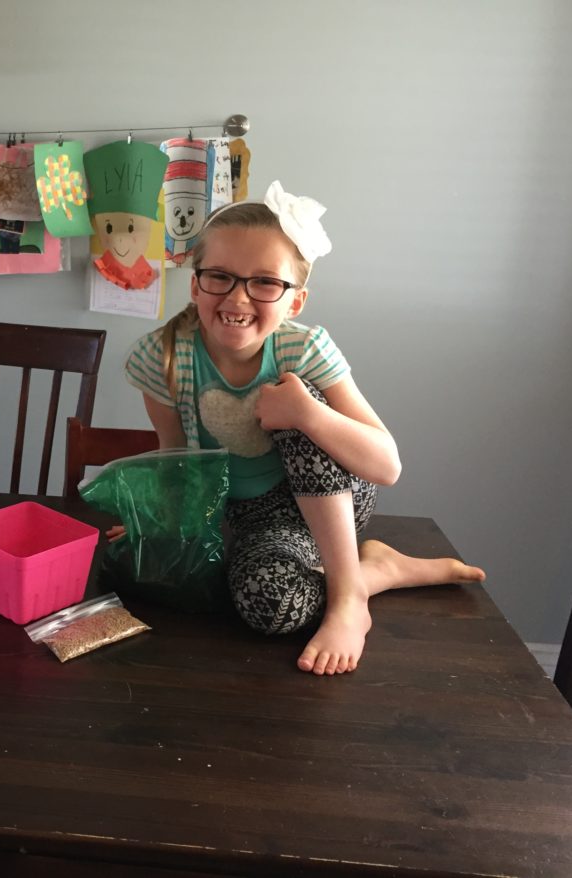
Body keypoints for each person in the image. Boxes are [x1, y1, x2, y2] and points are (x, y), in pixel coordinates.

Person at [124, 181, 485, 676]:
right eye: (220, 277)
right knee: (266, 605)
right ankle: (374, 572)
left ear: (294, 301)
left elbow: (386, 465)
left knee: (299, 402)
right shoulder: (163, 357)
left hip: (339, 497)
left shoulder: (304, 349)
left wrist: (308, 415)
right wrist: (159, 522)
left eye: (265, 282)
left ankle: (347, 600)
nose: (238, 297)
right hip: (259, 520)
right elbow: (173, 455)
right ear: (195, 283)